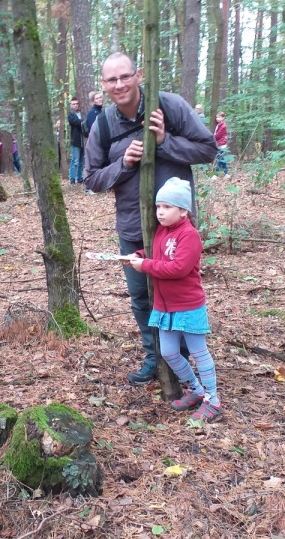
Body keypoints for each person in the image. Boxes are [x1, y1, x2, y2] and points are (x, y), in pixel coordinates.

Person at [83, 51, 217, 385]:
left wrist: (164, 141)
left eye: (124, 76)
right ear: (104, 85)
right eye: (111, 80)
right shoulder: (102, 124)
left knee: (179, 295)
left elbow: (207, 149)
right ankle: (154, 356)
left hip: (176, 229)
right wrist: (123, 164)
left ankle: (181, 362)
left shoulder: (169, 107)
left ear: (138, 75)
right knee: (142, 296)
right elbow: (91, 179)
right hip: (132, 227)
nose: (119, 85)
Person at [123, 178, 222, 422]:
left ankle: (213, 400)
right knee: (168, 352)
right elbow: (156, 254)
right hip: (165, 306)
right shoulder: (161, 231)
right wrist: (138, 255)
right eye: (158, 207)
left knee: (199, 352)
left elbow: (178, 267)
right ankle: (196, 390)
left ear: (183, 210)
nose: (161, 212)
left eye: (167, 207)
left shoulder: (189, 235)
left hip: (188, 305)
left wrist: (144, 265)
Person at [67, 97, 85, 184]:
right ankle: (72, 179)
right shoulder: (70, 114)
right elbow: (77, 122)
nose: (75, 105)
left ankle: (80, 178)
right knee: (75, 161)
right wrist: (83, 121)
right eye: (73, 104)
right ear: (71, 105)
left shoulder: (82, 112)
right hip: (76, 140)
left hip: (83, 140)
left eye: (77, 104)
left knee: (81, 161)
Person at [214, 112, 229, 176]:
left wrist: (211, 138)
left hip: (221, 144)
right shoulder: (219, 125)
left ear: (223, 118)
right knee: (221, 159)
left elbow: (217, 135)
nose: (217, 118)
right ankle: (226, 174)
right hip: (219, 143)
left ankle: (217, 174)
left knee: (219, 159)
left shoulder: (223, 126)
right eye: (217, 117)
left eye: (219, 117)